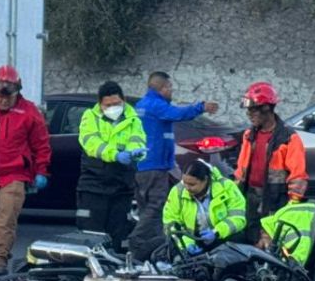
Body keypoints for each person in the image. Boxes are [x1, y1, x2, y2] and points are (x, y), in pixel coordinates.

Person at [130, 71, 219, 261]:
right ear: (162, 88)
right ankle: (137, 242)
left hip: (144, 167)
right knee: (157, 206)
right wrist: (201, 107)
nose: (172, 91)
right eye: (170, 88)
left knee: (148, 209)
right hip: (155, 167)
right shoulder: (156, 106)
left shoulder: (142, 105)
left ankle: (150, 250)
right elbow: (178, 114)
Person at [0, 65, 51, 278]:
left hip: (14, 174)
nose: (4, 101)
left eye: (10, 96)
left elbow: (41, 144)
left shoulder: (29, 111)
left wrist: (41, 170)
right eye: (0, 96)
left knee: (5, 221)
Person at [76, 81, 147, 253]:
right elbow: (91, 143)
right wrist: (115, 155)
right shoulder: (90, 117)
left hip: (121, 184)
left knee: (118, 232)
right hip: (94, 184)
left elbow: (137, 139)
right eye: (108, 105)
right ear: (100, 104)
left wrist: (135, 153)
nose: (113, 108)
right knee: (91, 232)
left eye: (117, 104)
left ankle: (112, 270)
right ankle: (86, 272)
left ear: (123, 101)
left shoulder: (133, 119)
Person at [234, 82, 308, 243]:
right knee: (249, 236)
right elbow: (241, 170)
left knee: (271, 240)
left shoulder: (288, 138)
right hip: (250, 196)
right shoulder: (249, 135)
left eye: (253, 109)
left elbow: (298, 175)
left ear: (266, 108)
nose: (249, 114)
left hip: (275, 199)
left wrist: (293, 203)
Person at [162, 159, 246, 256]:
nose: (187, 188)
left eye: (192, 185)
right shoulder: (177, 192)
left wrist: (216, 232)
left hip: (223, 236)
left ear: (205, 180)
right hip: (194, 240)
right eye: (184, 183)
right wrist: (187, 243)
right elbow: (170, 222)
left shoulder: (226, 186)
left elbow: (238, 218)